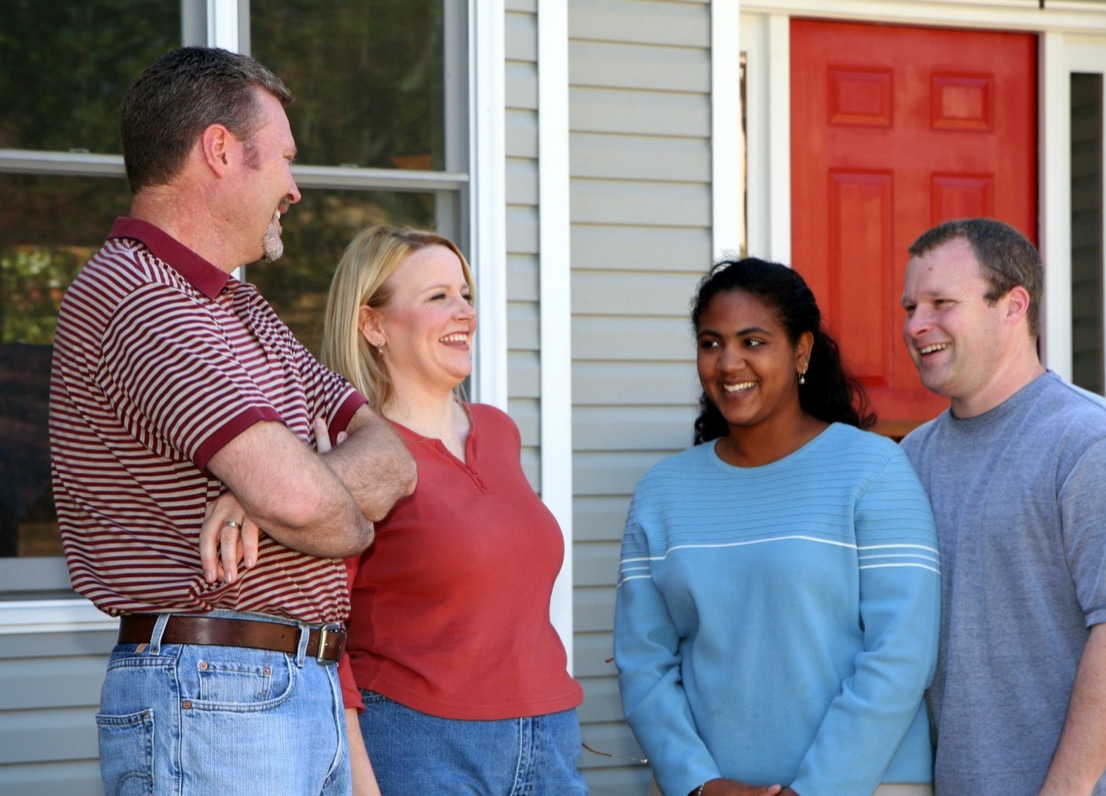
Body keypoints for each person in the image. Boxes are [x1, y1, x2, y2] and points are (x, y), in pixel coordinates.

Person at [48, 47, 415, 795]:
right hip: (214, 686)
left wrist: (263, 490)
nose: (296, 189)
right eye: (283, 159)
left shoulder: (242, 310)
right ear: (220, 150)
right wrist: (301, 494)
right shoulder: (139, 298)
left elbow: (394, 455)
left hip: (276, 685)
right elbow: (324, 516)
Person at [614, 258, 941, 796]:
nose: (728, 362)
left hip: (868, 785)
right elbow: (643, 662)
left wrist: (816, 789)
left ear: (801, 351)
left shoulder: (873, 470)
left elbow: (901, 653)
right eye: (711, 343)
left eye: (753, 341)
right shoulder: (662, 493)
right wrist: (699, 783)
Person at [898, 217, 1106, 795]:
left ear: (1013, 306)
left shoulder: (1094, 444)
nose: (916, 324)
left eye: (941, 302)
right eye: (909, 306)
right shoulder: (913, 458)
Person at [319, 224, 587, 795]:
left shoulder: (498, 430)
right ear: (373, 324)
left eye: (464, 293)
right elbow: (326, 632)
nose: (463, 311)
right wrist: (361, 783)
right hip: (421, 743)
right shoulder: (356, 457)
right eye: (438, 297)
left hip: (550, 736)